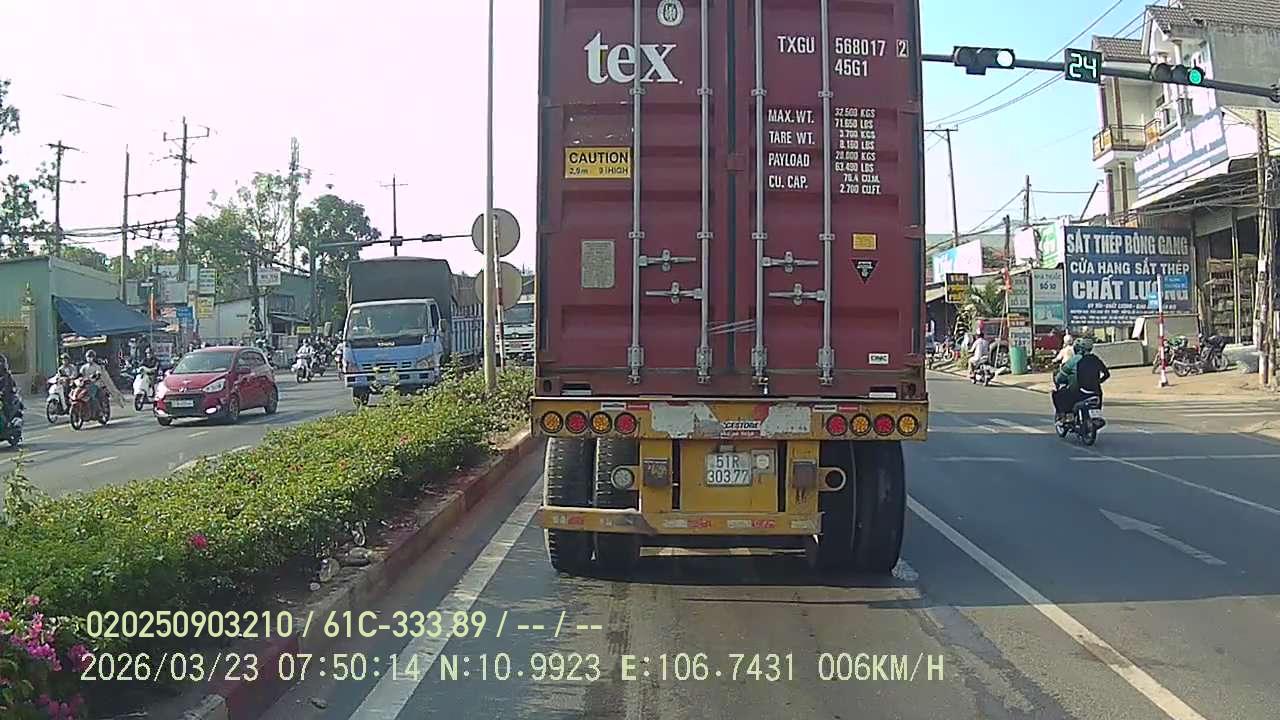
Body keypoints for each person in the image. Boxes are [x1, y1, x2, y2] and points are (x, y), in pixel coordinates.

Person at [1053, 338, 1110, 421]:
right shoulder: (1095, 359)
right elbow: (1106, 374)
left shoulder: (1076, 360)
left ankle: (1066, 416)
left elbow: (1061, 377)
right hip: (1096, 392)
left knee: (1058, 395)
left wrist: (1058, 379)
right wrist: (1098, 382)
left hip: (1080, 391)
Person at [0, 354, 20, 423]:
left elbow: (8, 385)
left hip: (6, 396)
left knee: (5, 406)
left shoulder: (7, 375)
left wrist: (3, 391)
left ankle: (7, 422)